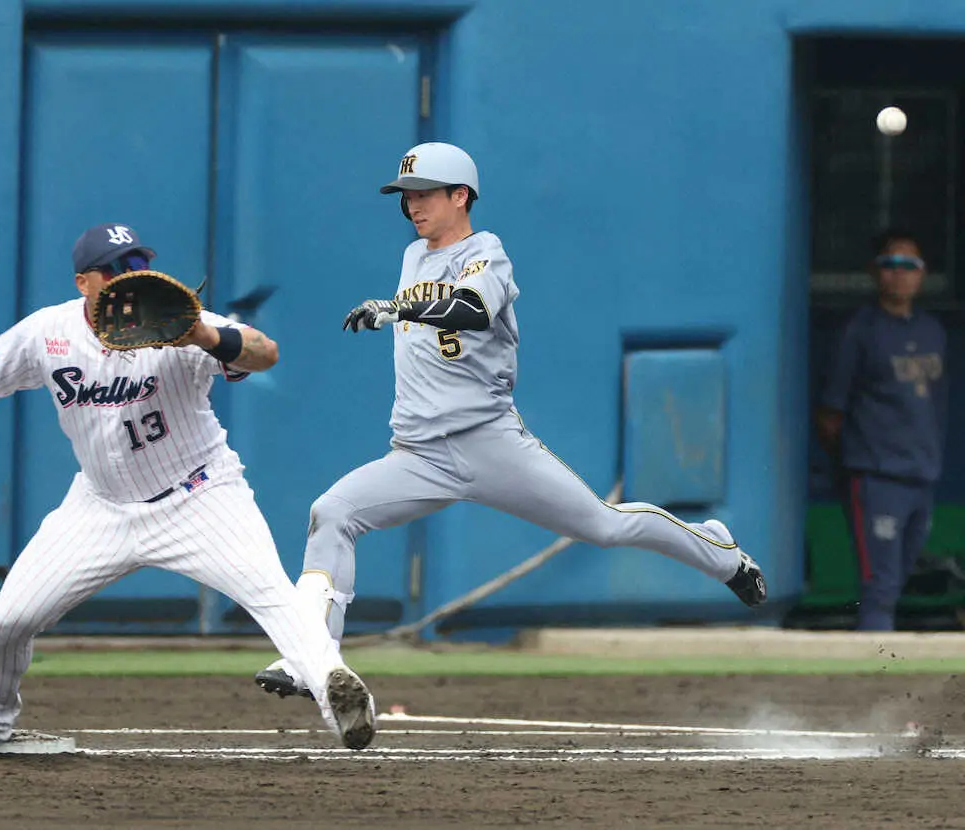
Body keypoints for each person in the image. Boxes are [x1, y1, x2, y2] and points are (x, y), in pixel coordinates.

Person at [255, 142, 768, 698]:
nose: (413, 205)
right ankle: (313, 657)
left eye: (425, 193)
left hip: (489, 443)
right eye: (406, 196)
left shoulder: (487, 252)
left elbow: (472, 309)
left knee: (604, 525)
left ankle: (719, 552)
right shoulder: (412, 258)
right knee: (331, 513)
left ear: (460, 195)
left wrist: (400, 307)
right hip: (418, 454)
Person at [0, 222, 376, 757]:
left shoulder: (180, 322)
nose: (131, 275)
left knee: (274, 598)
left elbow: (264, 353)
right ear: (84, 283)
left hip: (199, 496)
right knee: (9, 619)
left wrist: (203, 335)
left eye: (136, 262)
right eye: (115, 268)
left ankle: (341, 699)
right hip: (99, 507)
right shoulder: (48, 332)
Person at [815, 230, 947, 631]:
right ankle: (874, 676)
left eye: (910, 265)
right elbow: (830, 415)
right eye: (891, 264)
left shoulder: (933, 331)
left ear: (922, 274)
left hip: (921, 474)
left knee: (898, 579)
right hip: (875, 476)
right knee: (880, 587)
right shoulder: (860, 331)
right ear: (875, 272)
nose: (900, 274)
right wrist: (855, 467)